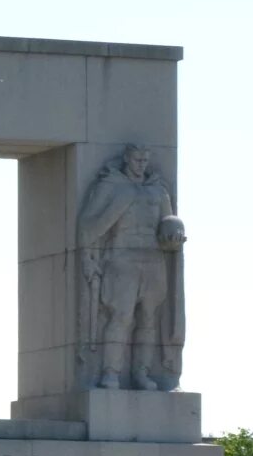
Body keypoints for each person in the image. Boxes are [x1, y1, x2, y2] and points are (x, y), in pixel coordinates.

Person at [77, 144, 186, 390]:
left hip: (153, 258)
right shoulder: (111, 185)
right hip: (121, 258)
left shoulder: (158, 191)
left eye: (145, 160)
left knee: (149, 318)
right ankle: (111, 372)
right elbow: (88, 226)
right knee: (121, 316)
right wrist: (88, 258)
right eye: (137, 159)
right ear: (127, 159)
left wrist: (174, 234)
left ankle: (141, 373)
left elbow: (167, 224)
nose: (142, 164)